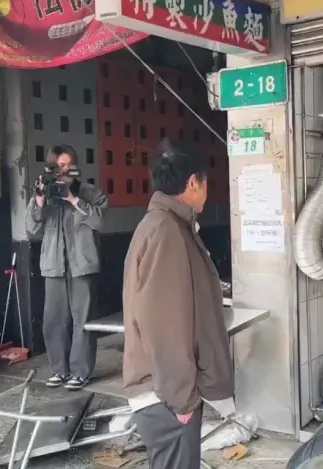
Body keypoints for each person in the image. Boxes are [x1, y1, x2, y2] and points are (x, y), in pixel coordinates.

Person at [122, 140, 235, 469]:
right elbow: (164, 325)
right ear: (193, 182)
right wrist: (181, 402)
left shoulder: (171, 225)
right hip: (167, 400)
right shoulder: (166, 231)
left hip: (168, 396)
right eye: (206, 181)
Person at [26, 144, 108, 390]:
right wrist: (40, 200)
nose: (66, 170)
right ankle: (59, 370)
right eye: (61, 166)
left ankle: (81, 372)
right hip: (54, 265)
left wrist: (73, 199)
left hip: (82, 264)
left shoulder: (88, 192)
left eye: (70, 165)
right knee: (53, 320)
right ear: (51, 167)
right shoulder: (45, 192)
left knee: (83, 320)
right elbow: (31, 229)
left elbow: (101, 222)